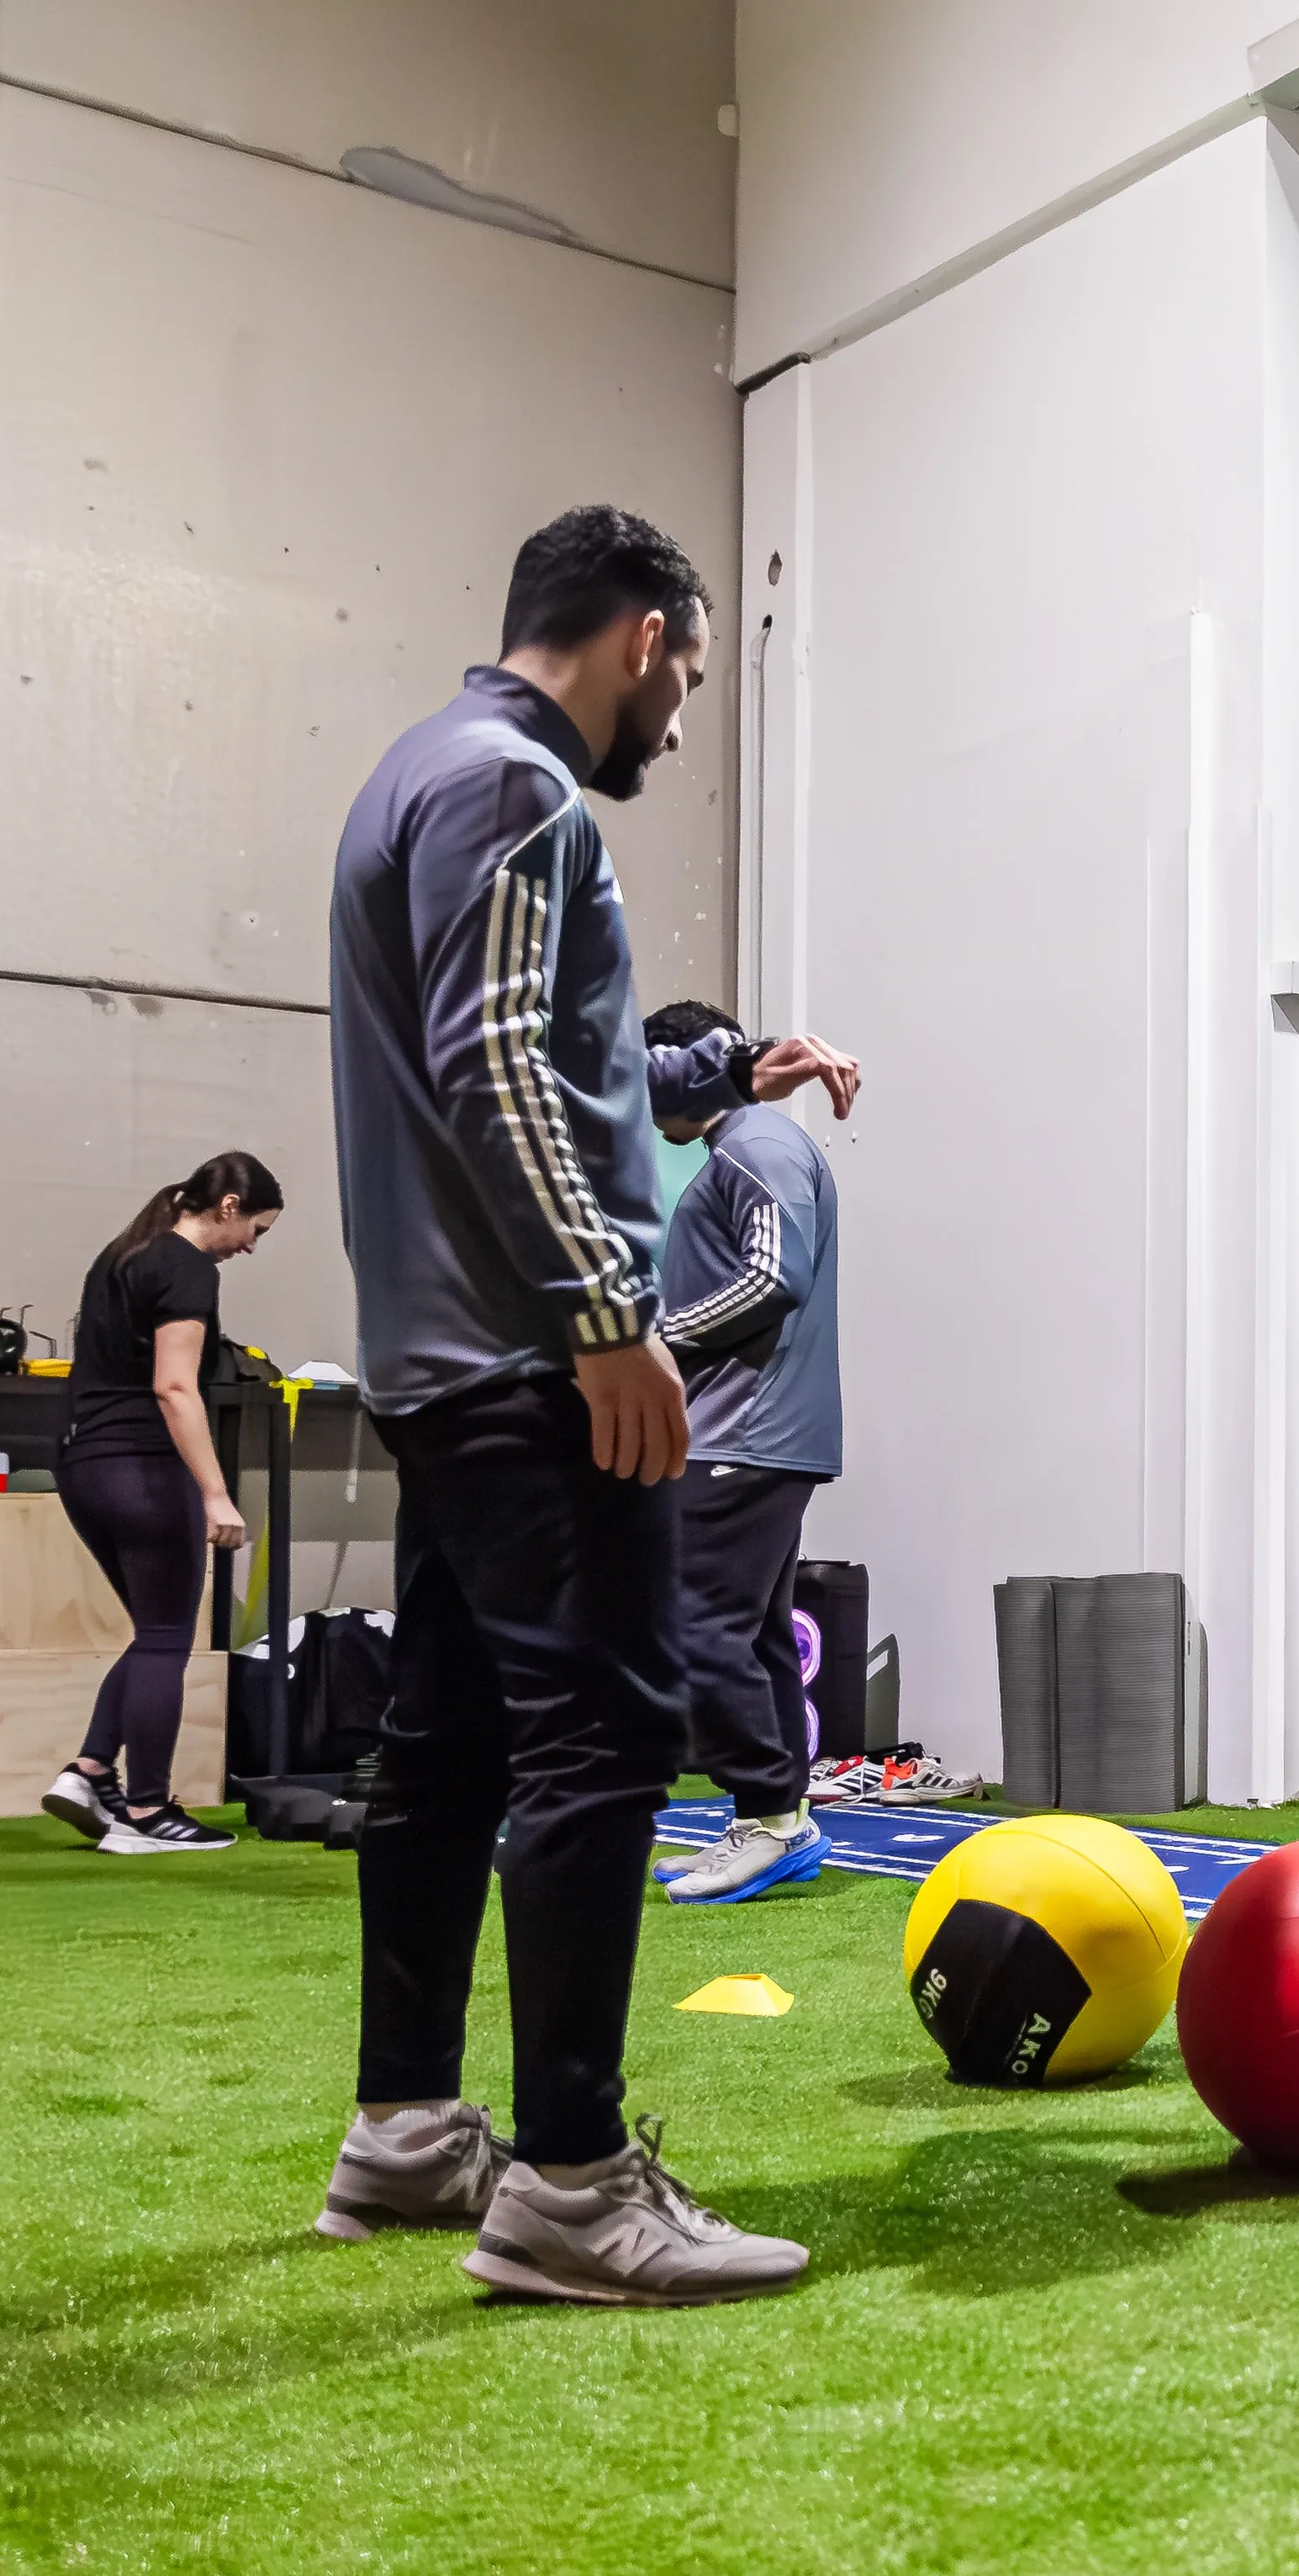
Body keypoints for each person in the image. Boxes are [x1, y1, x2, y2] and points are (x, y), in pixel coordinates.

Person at [307, 504, 857, 2305]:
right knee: (606, 1737)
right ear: (638, 634)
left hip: (439, 1349)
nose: (679, 719)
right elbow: (489, 1065)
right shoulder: (520, 788)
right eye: (686, 671)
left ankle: (405, 2126)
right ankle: (571, 2181)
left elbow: (543, 1045)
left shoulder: (419, 768)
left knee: (453, 1736)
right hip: (533, 1358)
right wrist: (613, 1314)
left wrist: (709, 1063)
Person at [636, 997, 855, 1907]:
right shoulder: (743, 1146)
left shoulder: (756, 1145)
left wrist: (653, 1341)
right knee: (753, 1629)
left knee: (695, 1624)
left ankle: (771, 1812)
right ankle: (770, 1817)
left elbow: (774, 1277)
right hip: (746, 1427)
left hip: (747, 1429)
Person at [40, 1153, 288, 1852]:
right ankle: (146, 1812)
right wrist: (216, 1493)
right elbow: (175, 1388)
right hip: (142, 1466)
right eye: (256, 1229)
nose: (250, 1247)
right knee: (168, 1638)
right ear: (230, 1204)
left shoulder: (122, 1253)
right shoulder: (186, 1268)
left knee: (153, 1632)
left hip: (82, 1464)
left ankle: (89, 1770)